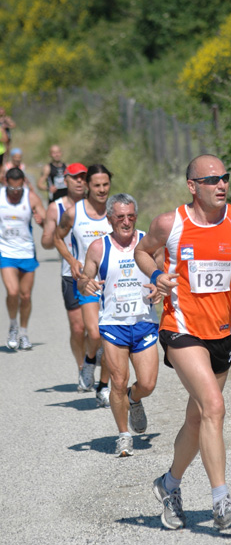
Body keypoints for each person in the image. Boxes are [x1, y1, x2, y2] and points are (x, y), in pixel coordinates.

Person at [134, 154, 231, 531]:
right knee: (213, 406)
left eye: (225, 177)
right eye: (211, 180)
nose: (221, 185)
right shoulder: (170, 223)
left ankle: (169, 484)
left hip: (222, 334)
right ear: (192, 186)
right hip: (181, 328)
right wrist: (159, 273)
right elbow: (142, 251)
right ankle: (222, 502)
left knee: (197, 418)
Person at [78, 193, 161, 457]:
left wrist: (160, 289)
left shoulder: (148, 242)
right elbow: (83, 280)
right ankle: (124, 435)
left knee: (147, 384)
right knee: (117, 381)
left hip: (144, 323)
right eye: (120, 217)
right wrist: (86, 284)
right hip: (114, 325)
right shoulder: (98, 248)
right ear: (110, 218)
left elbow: (163, 274)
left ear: (136, 217)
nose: (126, 222)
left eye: (130, 217)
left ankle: (134, 399)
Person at [54, 164, 112, 407]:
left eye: (105, 185)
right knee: (95, 333)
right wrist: (71, 260)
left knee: (110, 338)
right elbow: (57, 237)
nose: (101, 190)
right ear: (87, 185)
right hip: (86, 283)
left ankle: (104, 386)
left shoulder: (116, 211)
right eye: (96, 185)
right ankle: (89, 360)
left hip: (114, 285)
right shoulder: (73, 212)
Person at [41, 163, 88, 372]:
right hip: (70, 275)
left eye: (83, 177)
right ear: (65, 180)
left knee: (96, 329)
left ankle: (95, 362)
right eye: (75, 177)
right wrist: (49, 231)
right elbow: (46, 243)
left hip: (98, 275)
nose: (80, 181)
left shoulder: (96, 206)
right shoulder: (56, 207)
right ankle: (82, 369)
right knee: (78, 328)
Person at [0, 167, 46, 350]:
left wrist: (40, 221)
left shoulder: (31, 197)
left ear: (23, 184)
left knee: (25, 296)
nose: (15, 193)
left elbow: (46, 222)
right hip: (6, 252)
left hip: (26, 252)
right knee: (13, 292)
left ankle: (24, 333)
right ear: (6, 183)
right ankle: (13, 326)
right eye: (12, 189)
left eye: (18, 189)